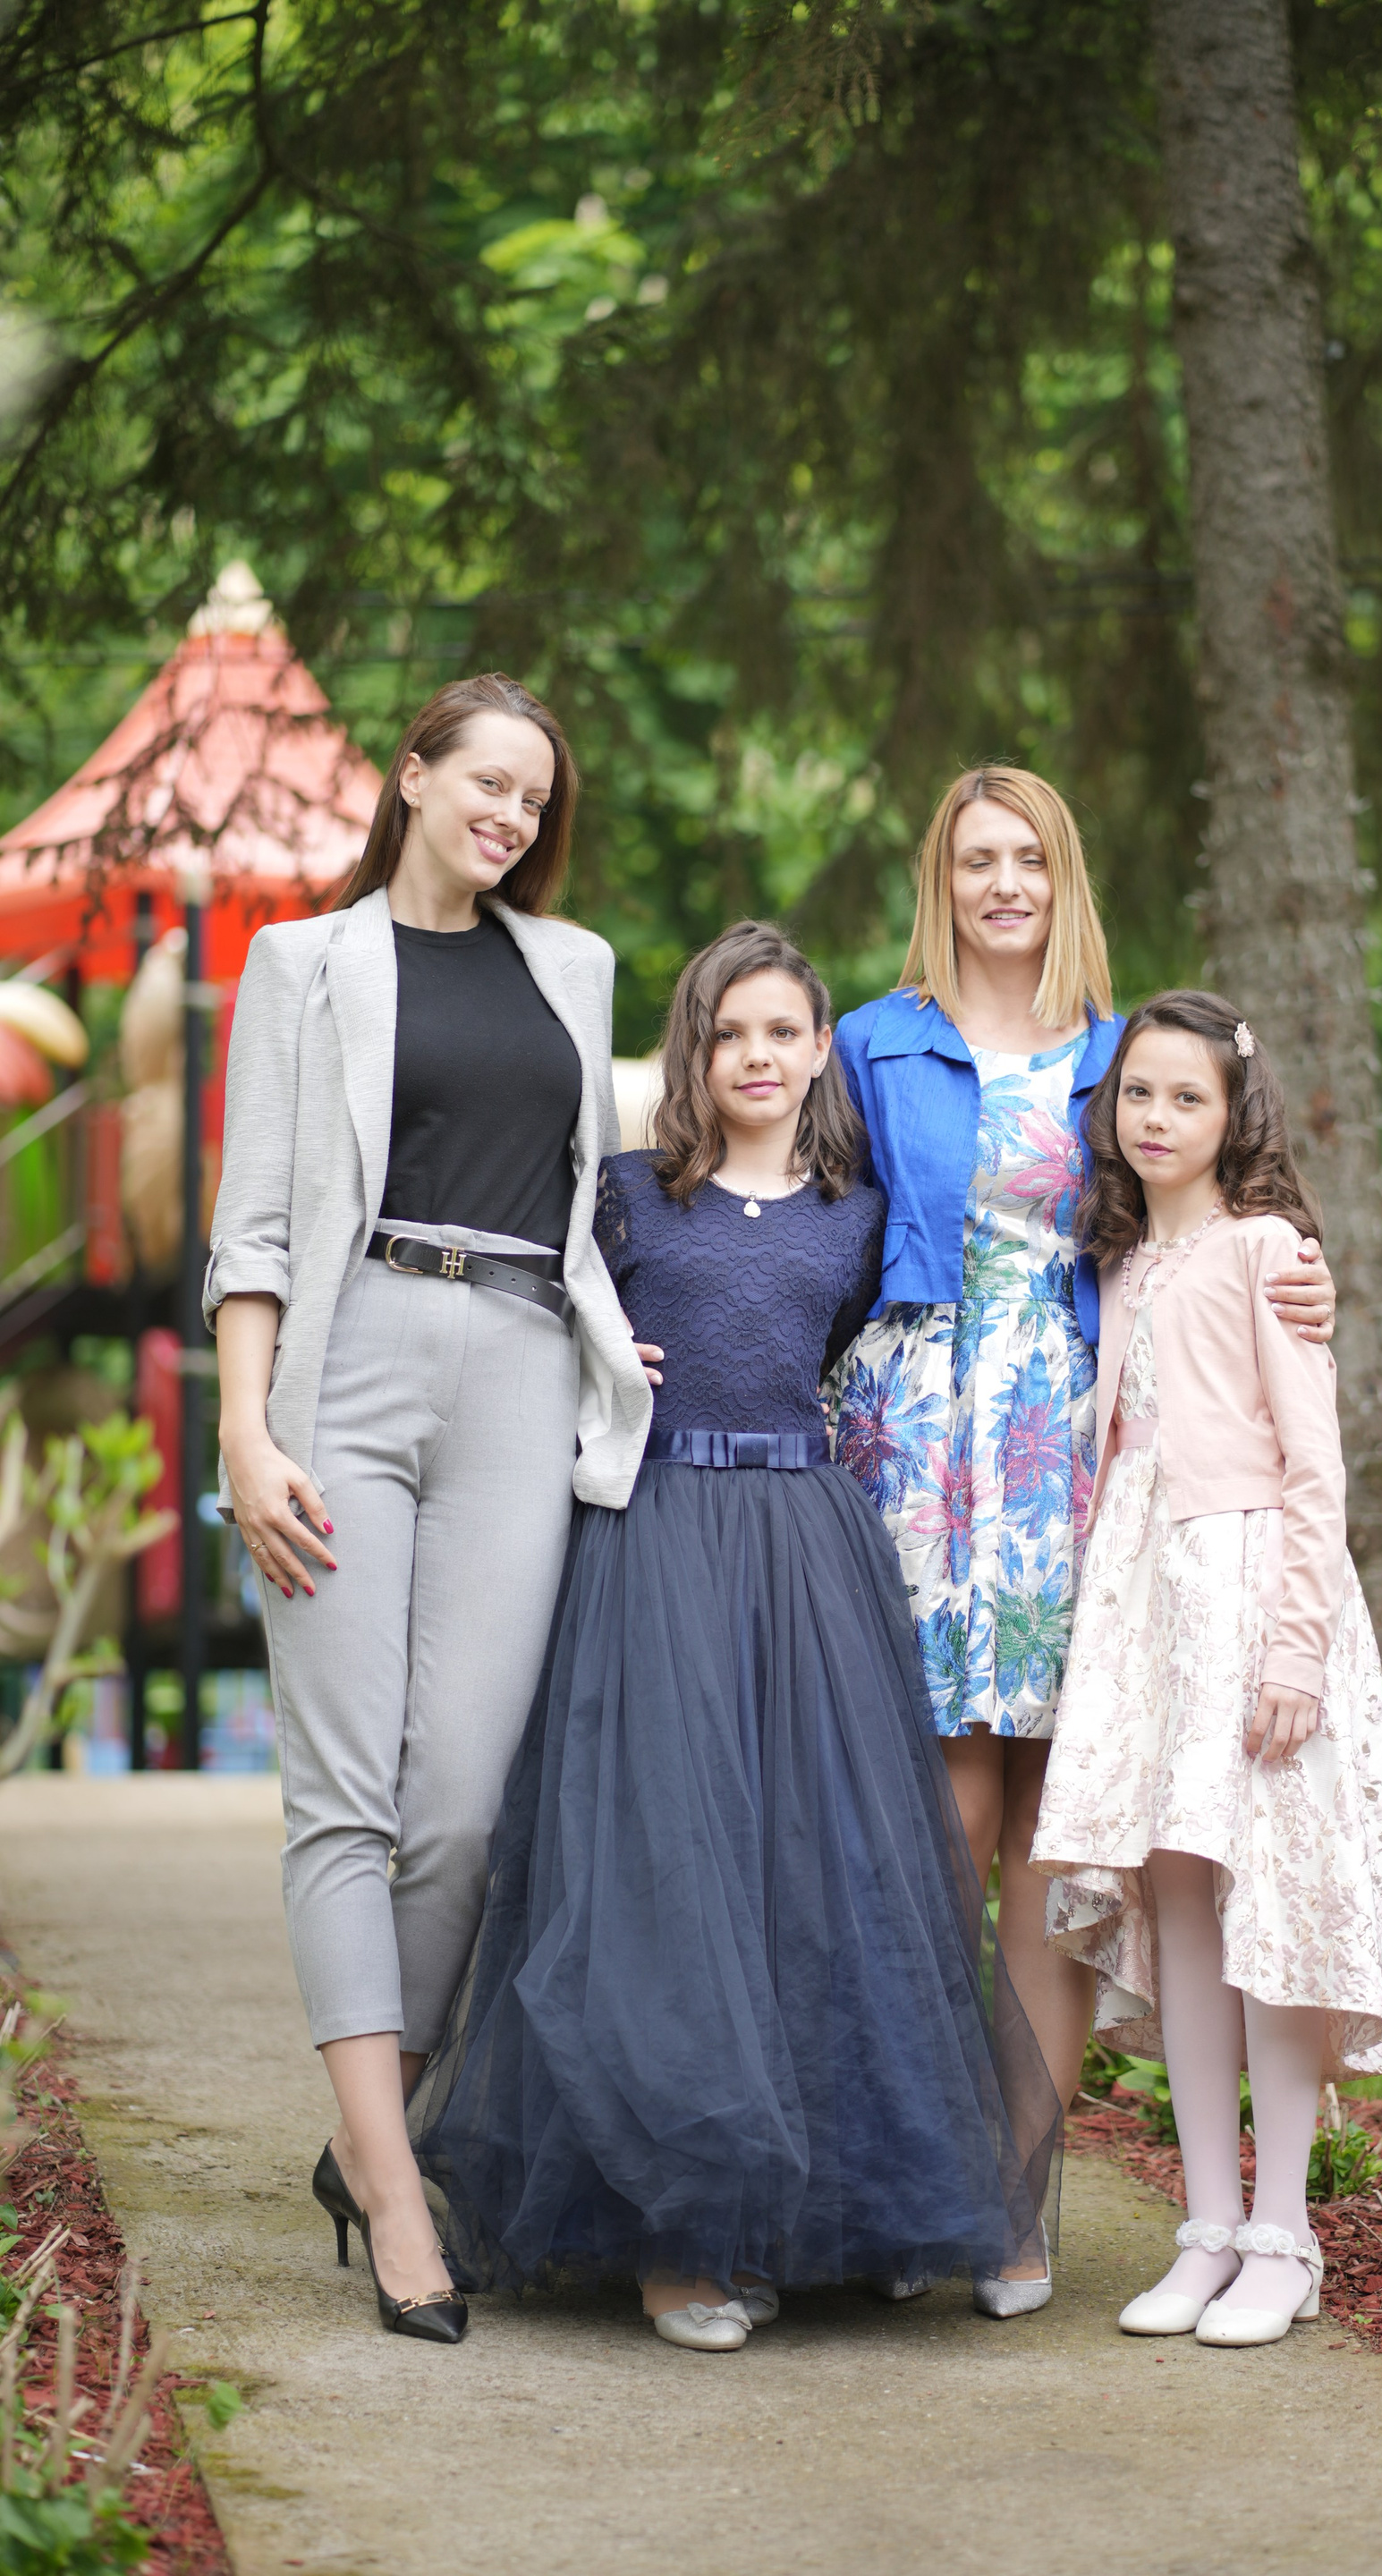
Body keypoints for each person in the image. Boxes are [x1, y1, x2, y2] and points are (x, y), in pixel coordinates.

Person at [411, 921, 1061, 2351]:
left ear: (823, 1049)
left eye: (782, 1032)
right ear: (691, 1053)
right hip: (655, 1543)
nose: (756, 1056)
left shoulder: (860, 1215)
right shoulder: (626, 1199)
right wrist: (591, 1371)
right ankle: (679, 2241)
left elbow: (906, 1342)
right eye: (728, 1034)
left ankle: (847, 2212)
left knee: (819, 1871)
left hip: (805, 1552)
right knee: (670, 1867)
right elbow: (534, 1325)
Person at [829, 767, 1335, 2304]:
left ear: (1065, 881)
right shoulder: (871, 1042)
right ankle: (910, 2176)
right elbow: (806, 1222)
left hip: (1078, 1447)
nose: (1004, 885)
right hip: (918, 1443)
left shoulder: (1124, 1058)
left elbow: (1218, 1214)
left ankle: (1013, 2203)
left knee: (1059, 1835)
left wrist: (1305, 1271)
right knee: (939, 1822)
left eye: (1030, 859)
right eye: (976, 858)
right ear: (942, 878)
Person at [208, 674, 651, 2343]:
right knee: (345, 1793)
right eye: (488, 782)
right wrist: (246, 1433)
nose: (512, 816)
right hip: (351, 1367)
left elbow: (597, 1195)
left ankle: (363, 2125)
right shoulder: (303, 964)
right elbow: (255, 1227)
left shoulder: (573, 967)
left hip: (522, 1368)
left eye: (535, 799)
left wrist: (622, 1326)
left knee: (461, 1801)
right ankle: (396, 2192)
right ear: (412, 776)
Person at [1030, 991, 1382, 2349]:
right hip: (1145, 1607)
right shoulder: (1118, 1264)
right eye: (1137, 1094)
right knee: (1182, 1901)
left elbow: (1314, 1466)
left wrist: (1296, 1647)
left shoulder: (1267, 1250)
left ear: (1234, 1114)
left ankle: (1284, 2234)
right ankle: (1207, 2227)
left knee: (1268, 1909)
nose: (1156, 1119)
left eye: (1187, 1097)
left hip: (1250, 1595)